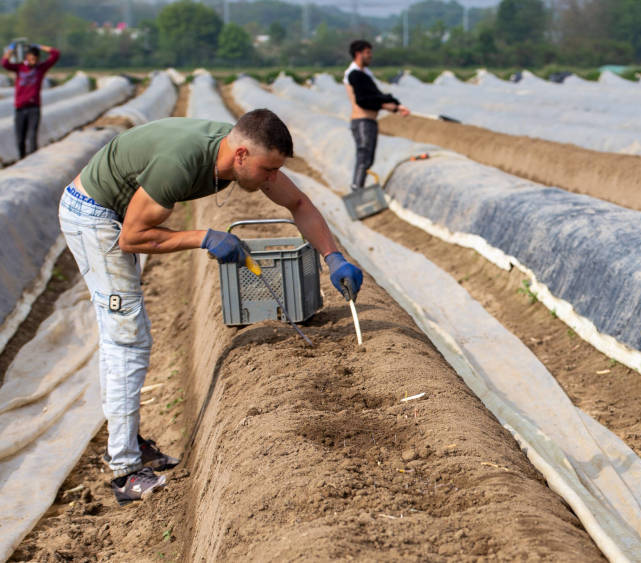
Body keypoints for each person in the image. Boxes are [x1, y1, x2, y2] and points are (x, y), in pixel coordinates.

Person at [57, 110, 364, 505]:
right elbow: (132, 238)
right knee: (127, 338)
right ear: (241, 156)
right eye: (268, 170)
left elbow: (299, 202)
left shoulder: (238, 150)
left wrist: (333, 257)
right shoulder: (179, 165)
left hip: (118, 209)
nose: (272, 178)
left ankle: (127, 440)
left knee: (128, 334)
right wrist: (204, 237)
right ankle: (125, 471)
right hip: (94, 215)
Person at [343, 39, 409, 191]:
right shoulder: (354, 74)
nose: (370, 55)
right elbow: (363, 100)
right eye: (367, 52)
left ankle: (358, 188)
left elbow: (376, 96)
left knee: (368, 159)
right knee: (364, 156)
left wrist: (396, 106)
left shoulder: (365, 74)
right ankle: (357, 189)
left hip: (369, 121)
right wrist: (388, 105)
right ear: (358, 54)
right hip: (362, 121)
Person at [2, 42, 60, 159]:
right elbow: (4, 63)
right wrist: (11, 49)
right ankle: (22, 159)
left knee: (32, 136)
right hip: (20, 108)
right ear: (27, 57)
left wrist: (41, 47)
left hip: (34, 108)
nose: (33, 61)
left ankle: (33, 159)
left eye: (35, 59)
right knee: (20, 138)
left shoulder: (40, 69)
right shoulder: (20, 68)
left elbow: (56, 54)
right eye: (31, 58)